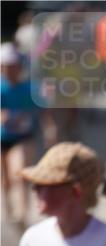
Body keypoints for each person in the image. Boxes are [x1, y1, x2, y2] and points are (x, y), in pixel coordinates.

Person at [1, 42, 39, 230]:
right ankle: (8, 211)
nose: (10, 70)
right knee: (5, 179)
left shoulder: (29, 88)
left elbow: (43, 110)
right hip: (3, 139)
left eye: (13, 66)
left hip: (24, 137)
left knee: (20, 173)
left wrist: (51, 130)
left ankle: (23, 213)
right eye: (6, 66)